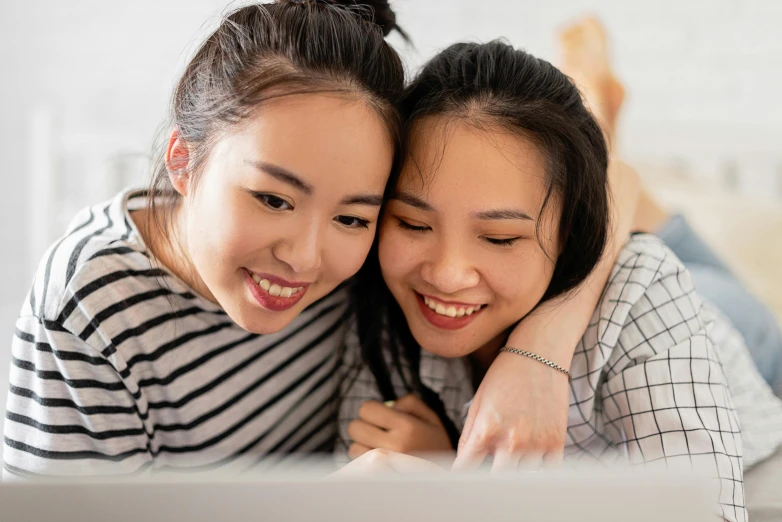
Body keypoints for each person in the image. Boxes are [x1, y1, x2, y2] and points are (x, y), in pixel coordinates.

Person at [2, 0, 633, 478]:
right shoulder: (89, 306)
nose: (304, 260)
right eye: (272, 199)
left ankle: (599, 114)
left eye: (353, 217)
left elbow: (613, 187)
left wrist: (536, 356)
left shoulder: (365, 251)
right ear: (183, 161)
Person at [338, 39, 782, 522]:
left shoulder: (647, 293)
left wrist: (458, 484)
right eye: (414, 224)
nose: (446, 274)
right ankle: (605, 146)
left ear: (569, 234)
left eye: (500, 237)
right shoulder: (379, 292)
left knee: (704, 287)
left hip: (736, 344)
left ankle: (608, 141)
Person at [559, 16, 782, 395]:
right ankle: (600, 146)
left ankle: (599, 144)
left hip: (723, 322)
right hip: (722, 306)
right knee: (645, 230)